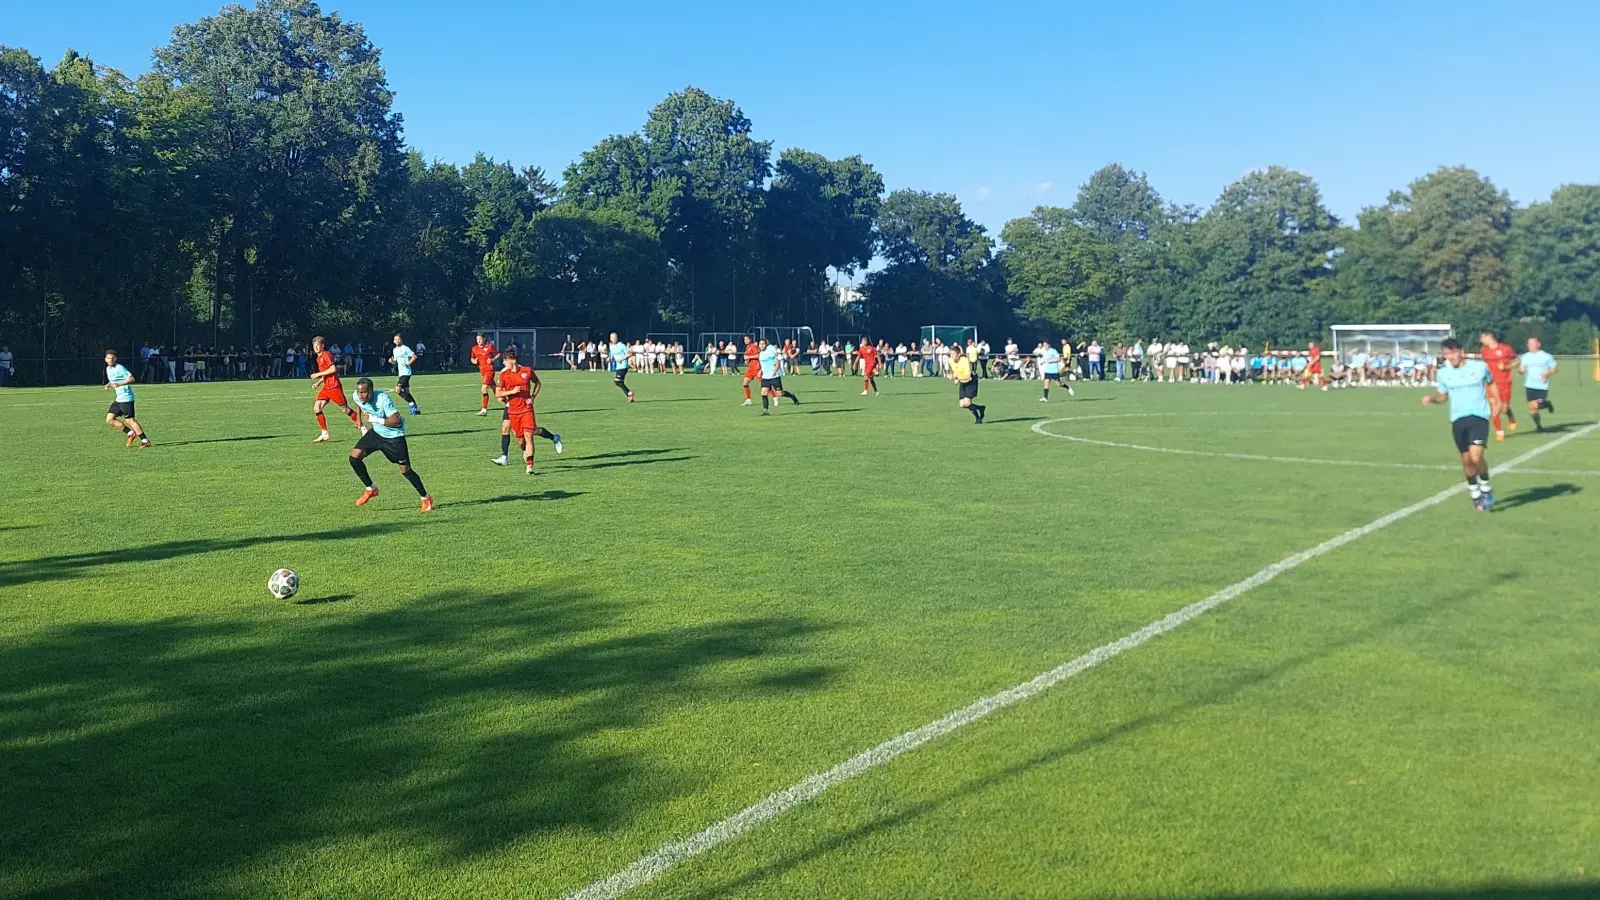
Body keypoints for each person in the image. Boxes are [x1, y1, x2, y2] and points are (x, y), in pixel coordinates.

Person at [1422, 337, 1501, 511]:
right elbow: (1442, 395)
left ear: (1461, 352)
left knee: (1476, 456)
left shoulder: (1479, 367)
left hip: (1479, 417)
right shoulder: (1443, 373)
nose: (1450, 356)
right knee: (1466, 462)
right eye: (1447, 354)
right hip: (1458, 420)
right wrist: (1432, 399)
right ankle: (1475, 494)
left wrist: (1498, 401)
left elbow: (1491, 382)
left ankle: (1486, 489)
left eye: (1453, 352)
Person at [349, 378, 433, 511]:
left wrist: (373, 419)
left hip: (394, 438)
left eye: (364, 393)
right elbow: (359, 403)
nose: (360, 396)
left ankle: (426, 497)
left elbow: (397, 422)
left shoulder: (383, 399)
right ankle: (371, 489)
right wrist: (359, 420)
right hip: (376, 433)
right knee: (354, 457)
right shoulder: (357, 396)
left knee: (405, 470)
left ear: (371, 391)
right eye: (359, 392)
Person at [490, 347, 562, 473]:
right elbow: (498, 394)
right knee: (521, 440)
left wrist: (533, 397)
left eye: (504, 360)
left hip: (527, 410)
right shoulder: (504, 374)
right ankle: (551, 438)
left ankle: (529, 466)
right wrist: (511, 392)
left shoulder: (526, 371)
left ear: (511, 360)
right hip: (512, 411)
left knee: (529, 435)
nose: (503, 363)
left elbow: (538, 383)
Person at [310, 336, 363, 443]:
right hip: (326, 387)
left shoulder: (326, 355)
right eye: (314, 345)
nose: (316, 347)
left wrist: (318, 374)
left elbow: (333, 369)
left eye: (318, 345)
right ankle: (324, 433)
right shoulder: (318, 357)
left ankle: (363, 428)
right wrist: (318, 383)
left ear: (322, 346)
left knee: (345, 409)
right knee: (317, 408)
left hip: (334, 387)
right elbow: (326, 373)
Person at [102, 350, 151, 448]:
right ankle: (130, 433)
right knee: (110, 419)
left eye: (112, 358)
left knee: (130, 420)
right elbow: (113, 380)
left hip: (126, 397)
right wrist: (108, 385)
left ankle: (145, 441)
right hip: (119, 398)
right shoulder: (108, 369)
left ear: (115, 359)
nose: (110, 360)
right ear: (105, 359)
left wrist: (119, 384)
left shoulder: (120, 368)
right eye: (108, 358)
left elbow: (132, 379)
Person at [1478, 329, 1518, 440]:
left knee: (1504, 408)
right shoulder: (1484, 350)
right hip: (1491, 382)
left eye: (1482, 337)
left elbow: (1517, 360)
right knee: (1494, 407)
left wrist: (1506, 367)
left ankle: (1510, 416)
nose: (1480, 340)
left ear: (1489, 337)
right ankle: (1499, 432)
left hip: (1505, 382)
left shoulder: (1506, 349)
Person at [1518, 336, 1559, 431]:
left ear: (1538, 344)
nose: (1530, 345)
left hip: (1541, 386)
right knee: (1532, 409)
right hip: (1529, 386)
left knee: (1535, 405)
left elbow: (1554, 368)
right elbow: (1521, 370)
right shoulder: (1525, 357)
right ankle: (1539, 426)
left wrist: (1547, 374)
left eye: (1532, 343)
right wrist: (1521, 371)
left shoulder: (1546, 356)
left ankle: (1547, 404)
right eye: (1529, 343)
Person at [756, 339, 799, 415]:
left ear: (766, 345)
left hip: (774, 377)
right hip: (765, 377)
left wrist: (775, 371)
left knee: (780, 394)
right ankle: (765, 410)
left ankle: (792, 396)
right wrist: (760, 371)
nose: (761, 345)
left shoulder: (770, 352)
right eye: (760, 344)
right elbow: (763, 364)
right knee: (763, 392)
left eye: (763, 344)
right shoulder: (760, 354)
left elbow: (778, 362)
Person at [948, 341, 985, 424]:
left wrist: (956, 377)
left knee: (967, 403)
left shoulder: (964, 360)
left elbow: (968, 376)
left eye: (953, 354)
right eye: (951, 354)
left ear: (958, 354)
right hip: (962, 382)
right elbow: (955, 371)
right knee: (962, 404)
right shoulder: (951, 360)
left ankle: (978, 418)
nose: (951, 356)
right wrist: (953, 377)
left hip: (971, 382)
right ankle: (980, 408)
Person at [390, 334, 421, 415]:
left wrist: (408, 363)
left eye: (399, 339)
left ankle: (411, 404)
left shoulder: (405, 348)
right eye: (396, 339)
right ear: (393, 341)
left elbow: (414, 356)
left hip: (406, 373)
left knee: (397, 390)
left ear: (401, 340)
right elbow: (395, 363)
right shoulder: (394, 350)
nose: (397, 341)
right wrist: (391, 362)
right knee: (406, 392)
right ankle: (417, 409)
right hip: (401, 373)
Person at [470, 332, 500, 416]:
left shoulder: (489, 347)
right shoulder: (474, 348)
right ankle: (508, 403)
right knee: (496, 391)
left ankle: (484, 410)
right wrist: (474, 361)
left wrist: (493, 360)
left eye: (480, 339)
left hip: (489, 370)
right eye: (477, 339)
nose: (478, 341)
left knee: (484, 388)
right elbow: (472, 359)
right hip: (482, 371)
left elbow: (498, 354)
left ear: (484, 339)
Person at [607, 332, 634, 401]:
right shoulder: (611, 346)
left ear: (617, 338)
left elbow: (630, 354)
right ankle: (629, 396)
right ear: (610, 338)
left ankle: (629, 393)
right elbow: (613, 356)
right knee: (620, 382)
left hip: (623, 366)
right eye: (612, 338)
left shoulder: (621, 345)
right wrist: (609, 358)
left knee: (617, 381)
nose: (613, 339)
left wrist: (621, 359)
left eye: (615, 338)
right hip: (618, 366)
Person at [740, 335, 761, 405]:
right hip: (751, 369)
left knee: (765, 384)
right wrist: (747, 359)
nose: (745, 341)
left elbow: (758, 355)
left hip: (757, 368)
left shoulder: (753, 346)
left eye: (747, 339)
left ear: (750, 339)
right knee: (745, 383)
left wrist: (748, 357)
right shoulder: (747, 347)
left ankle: (774, 397)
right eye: (744, 339)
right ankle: (748, 400)